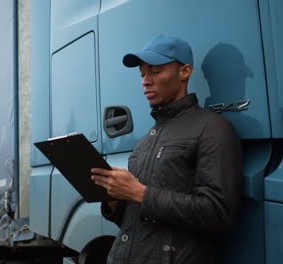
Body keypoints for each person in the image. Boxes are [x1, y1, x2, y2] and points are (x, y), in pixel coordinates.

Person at [90, 34, 242, 264]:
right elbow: (133, 221)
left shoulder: (213, 128)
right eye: (142, 74)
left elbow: (217, 213)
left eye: (155, 72)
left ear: (184, 72)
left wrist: (139, 192)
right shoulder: (144, 142)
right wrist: (113, 200)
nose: (145, 81)